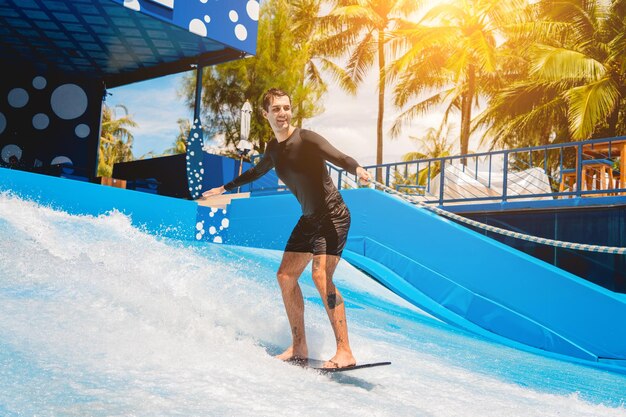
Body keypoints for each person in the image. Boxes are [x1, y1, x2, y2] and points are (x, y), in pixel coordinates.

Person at [202, 88, 371, 369]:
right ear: (265, 113)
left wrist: (358, 170)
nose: (282, 113)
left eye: (286, 108)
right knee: (285, 276)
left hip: (333, 216)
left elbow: (340, 157)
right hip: (309, 219)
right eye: (276, 109)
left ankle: (345, 352)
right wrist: (224, 187)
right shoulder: (273, 149)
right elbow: (256, 172)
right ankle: (299, 346)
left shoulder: (306, 139)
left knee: (321, 277)